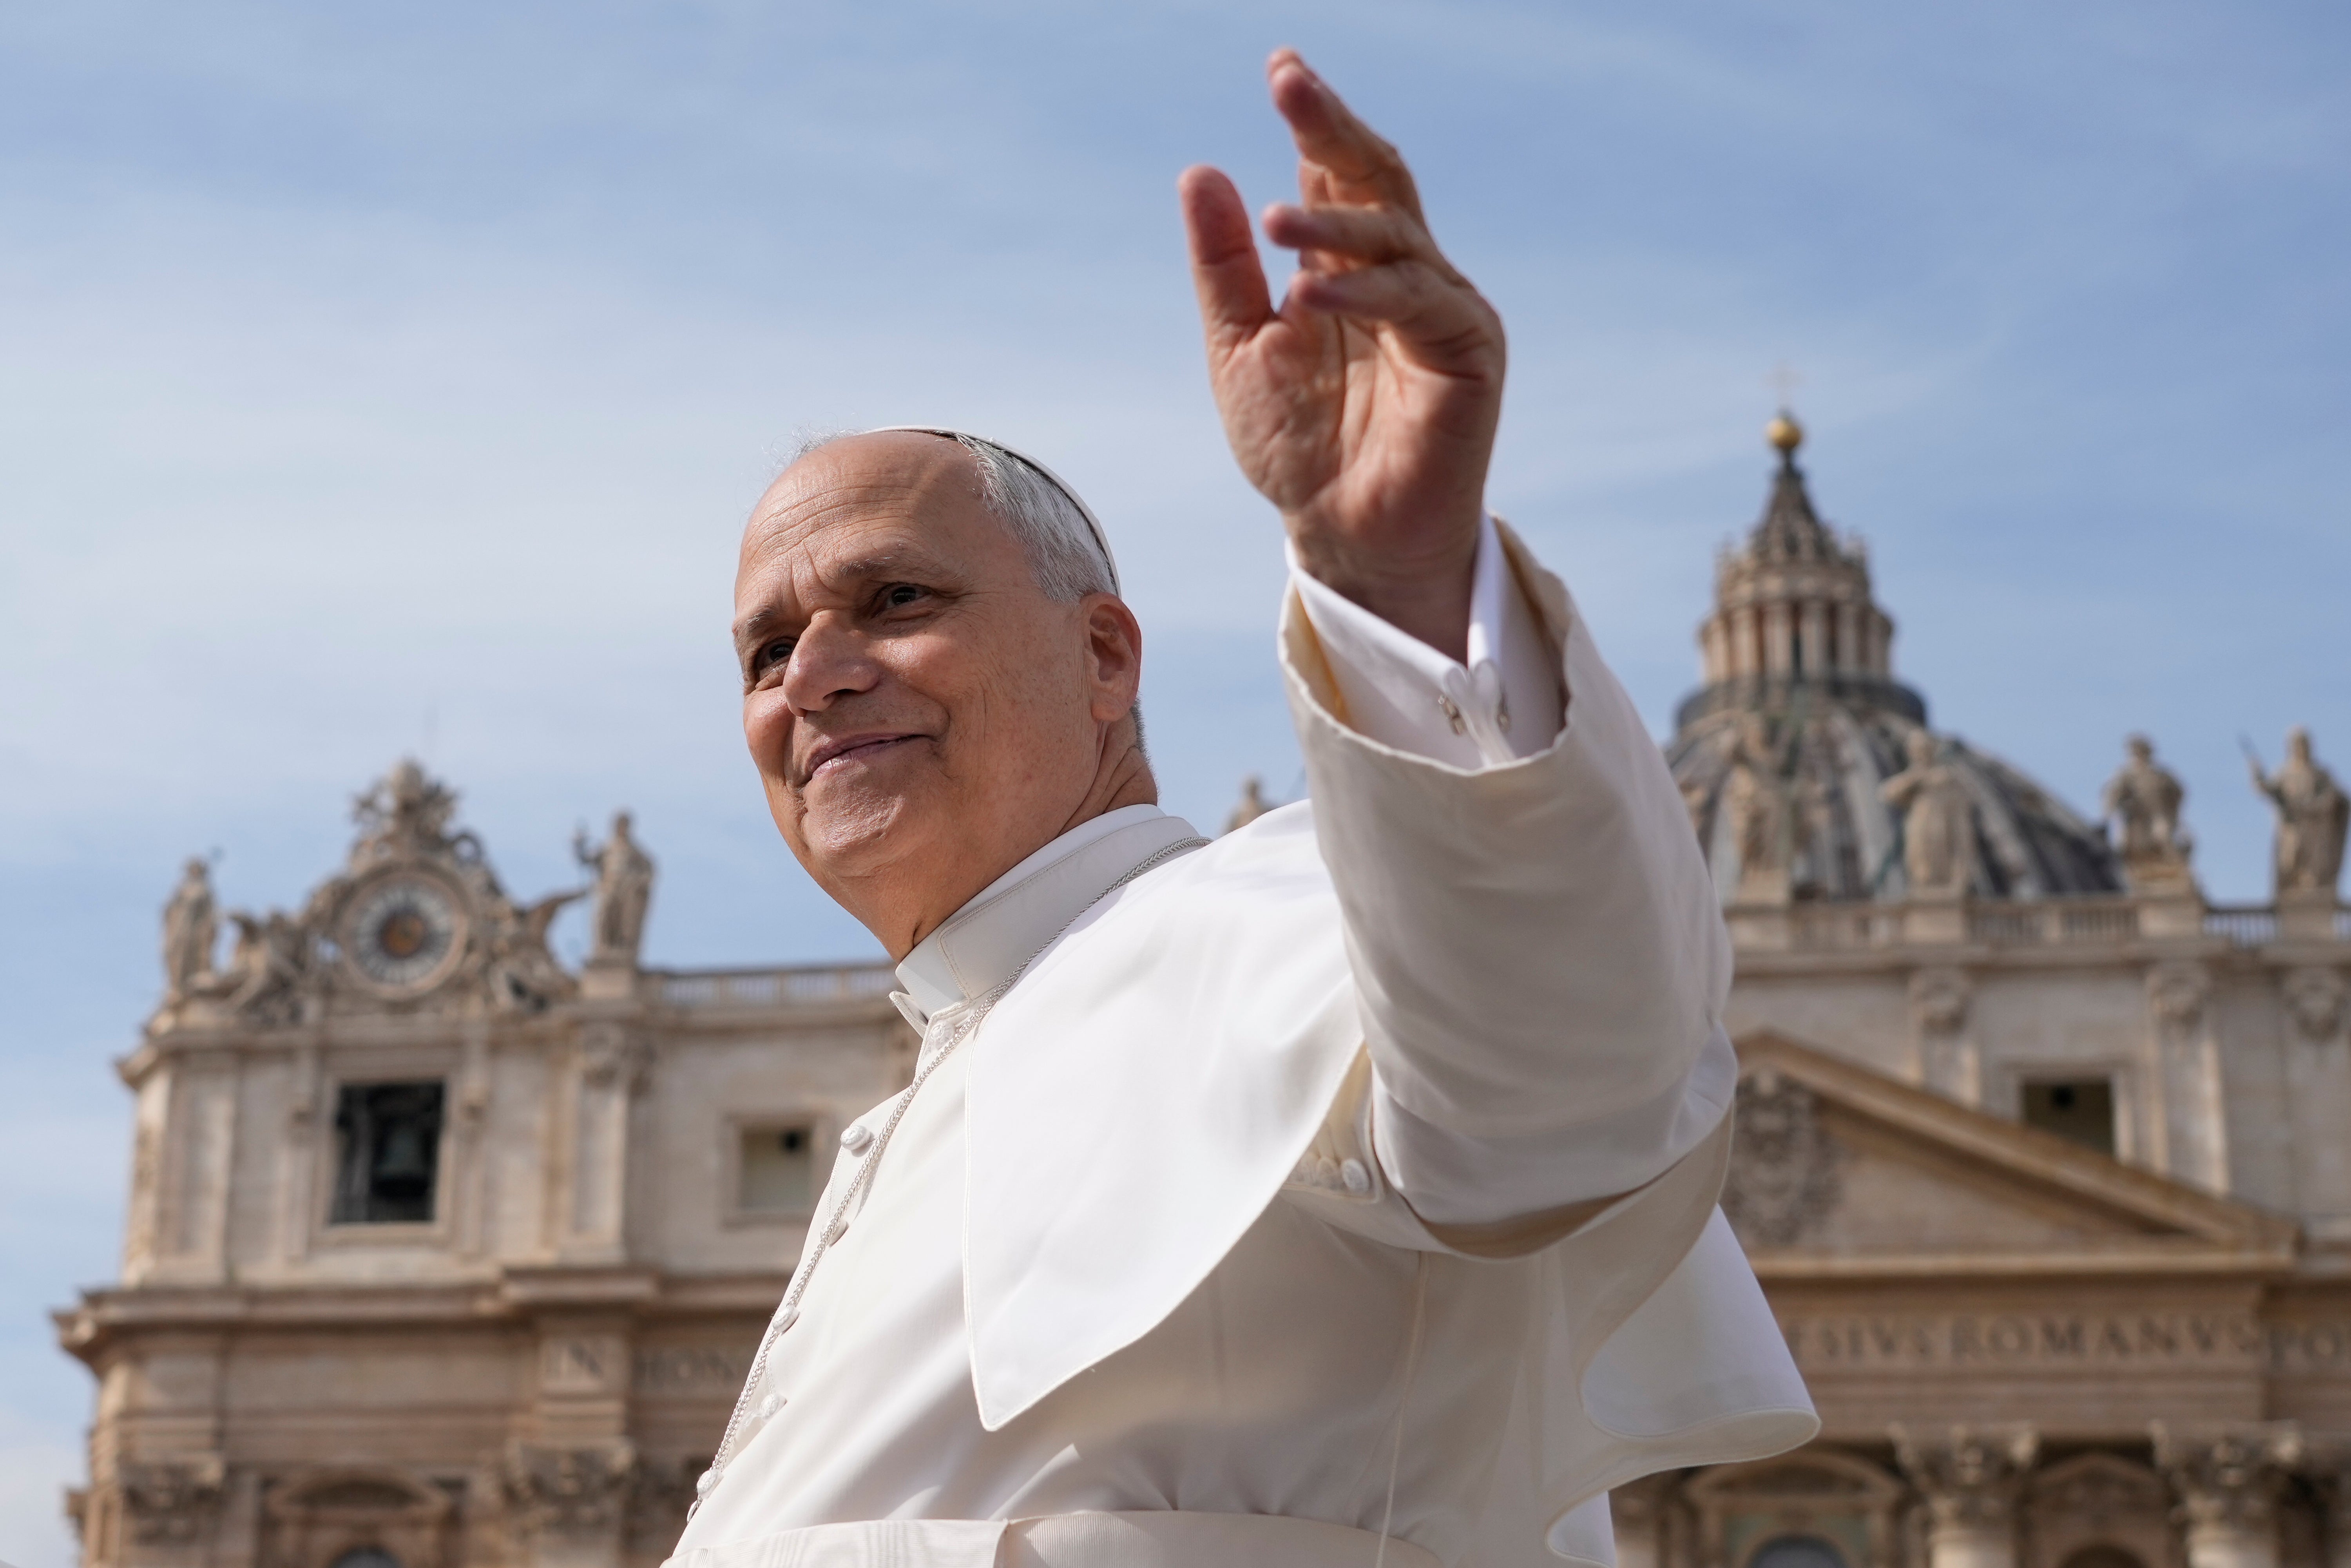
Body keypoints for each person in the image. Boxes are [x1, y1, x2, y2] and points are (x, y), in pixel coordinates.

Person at [672, 50, 1813, 1568]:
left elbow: (1554, 1078)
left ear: (1103, 654)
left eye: (893, 597)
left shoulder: (1260, 928)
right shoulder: (940, 1074)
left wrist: (1395, 588)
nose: (813, 674)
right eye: (765, 646)